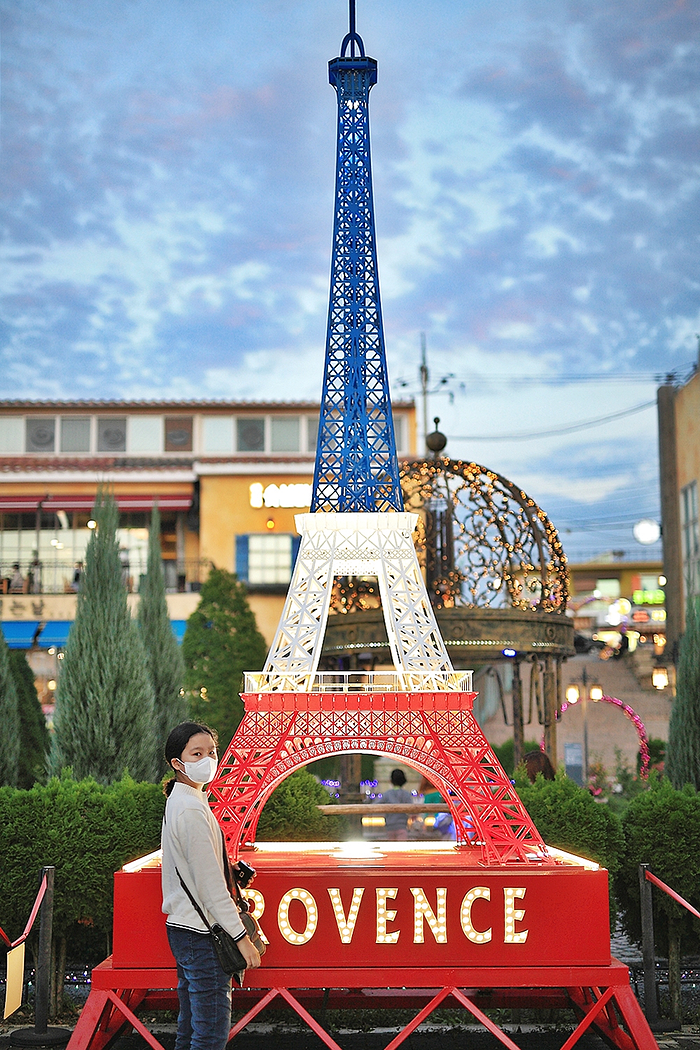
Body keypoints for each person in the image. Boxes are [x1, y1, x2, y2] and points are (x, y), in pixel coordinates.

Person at [161, 722, 260, 1050]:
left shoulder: (181, 799)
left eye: (212, 752)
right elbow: (210, 886)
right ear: (178, 762)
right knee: (210, 1035)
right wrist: (241, 937)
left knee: (191, 1029)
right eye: (197, 753)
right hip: (203, 935)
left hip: (183, 929)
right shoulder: (191, 808)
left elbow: (194, 870)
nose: (208, 759)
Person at [376, 768, 413, 841]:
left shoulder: (387, 794)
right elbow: (412, 808)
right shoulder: (406, 794)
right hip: (402, 825)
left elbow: (375, 805)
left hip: (390, 825)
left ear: (391, 780)